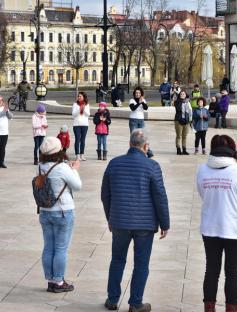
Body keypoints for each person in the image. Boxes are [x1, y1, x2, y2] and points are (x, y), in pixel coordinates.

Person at [101, 129, 169, 312]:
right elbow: (160, 196)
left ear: (130, 144)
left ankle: (112, 299)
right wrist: (165, 224)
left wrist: (110, 217)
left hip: (120, 222)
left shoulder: (114, 164)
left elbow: (105, 195)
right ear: (146, 146)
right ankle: (135, 303)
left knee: (117, 260)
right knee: (141, 264)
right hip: (145, 225)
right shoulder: (152, 166)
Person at [196, 134, 237, 312]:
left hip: (210, 228)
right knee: (232, 273)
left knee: (211, 271)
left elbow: (202, 194)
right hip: (235, 229)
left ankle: (209, 308)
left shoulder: (202, 169)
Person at [37, 137, 82, 293]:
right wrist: (74, 169)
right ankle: (59, 281)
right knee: (61, 248)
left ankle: (50, 280)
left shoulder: (40, 166)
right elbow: (77, 186)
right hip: (62, 211)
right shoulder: (62, 167)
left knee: (48, 247)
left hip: (45, 211)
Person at [129, 86, 153, 158]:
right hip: (133, 120)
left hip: (141, 120)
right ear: (134, 94)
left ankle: (148, 151)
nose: (137, 94)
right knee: (134, 137)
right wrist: (139, 103)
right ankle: (132, 152)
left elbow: (146, 108)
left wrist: (142, 102)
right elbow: (133, 108)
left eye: (139, 93)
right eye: (136, 93)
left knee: (143, 136)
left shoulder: (143, 100)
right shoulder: (132, 100)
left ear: (141, 94)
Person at [72, 91, 90, 161]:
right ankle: (77, 155)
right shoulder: (75, 104)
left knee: (83, 140)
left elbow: (88, 114)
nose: (79, 97)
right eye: (78, 96)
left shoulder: (87, 105)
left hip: (85, 124)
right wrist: (79, 109)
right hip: (76, 125)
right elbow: (73, 114)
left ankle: (82, 154)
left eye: (80, 96)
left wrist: (84, 108)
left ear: (83, 97)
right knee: (77, 139)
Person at [174, 90, 192, 155]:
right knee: (179, 135)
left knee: (185, 136)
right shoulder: (177, 102)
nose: (182, 95)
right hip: (178, 120)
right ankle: (178, 149)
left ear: (186, 95)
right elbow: (179, 109)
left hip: (186, 121)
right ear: (179, 95)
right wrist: (182, 102)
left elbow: (190, 111)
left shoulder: (188, 102)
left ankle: (184, 149)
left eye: (183, 94)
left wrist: (190, 119)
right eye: (181, 94)